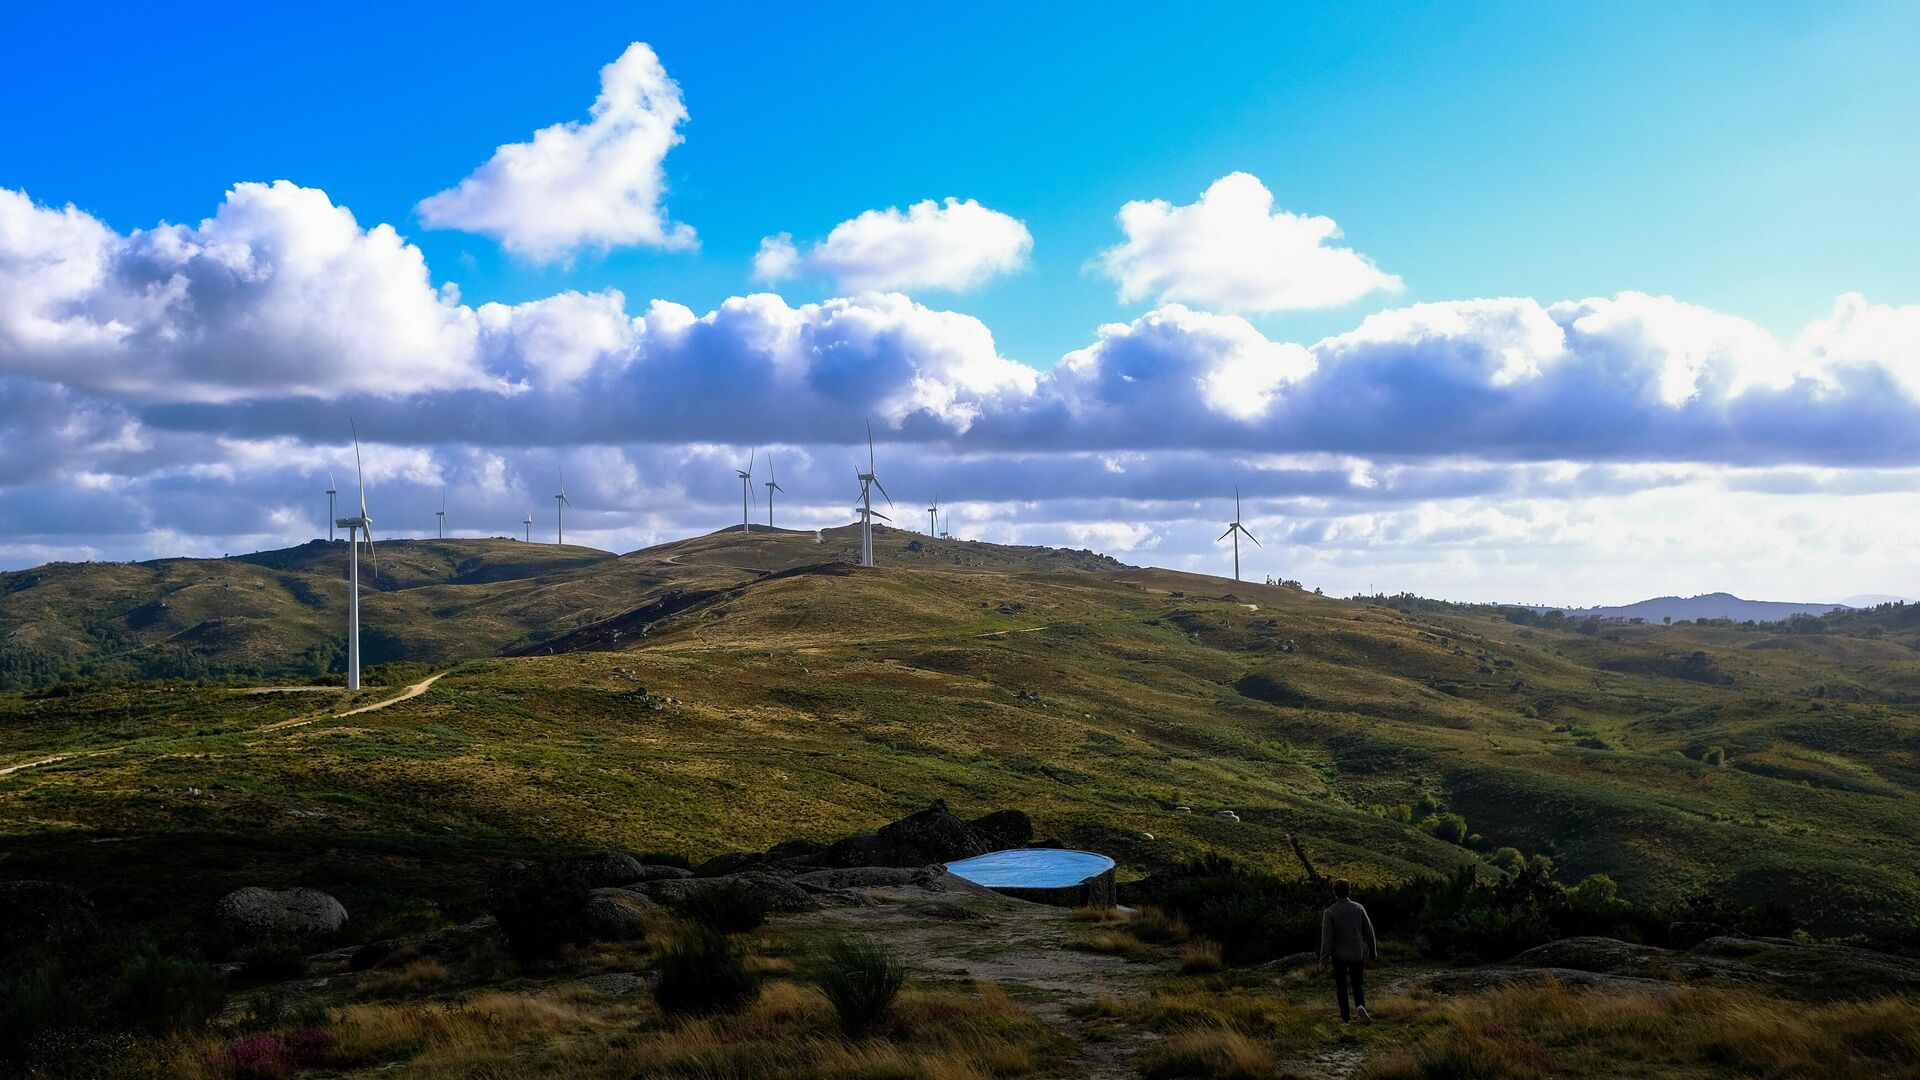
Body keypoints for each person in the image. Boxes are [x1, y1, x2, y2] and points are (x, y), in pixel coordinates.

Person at [1317, 878, 1378, 1024]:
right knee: (1358, 983)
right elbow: (1369, 931)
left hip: (1339, 955)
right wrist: (1373, 951)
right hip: (1357, 952)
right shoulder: (1359, 908)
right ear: (1349, 891)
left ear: (1334, 893)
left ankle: (1345, 1019)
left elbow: (1327, 939)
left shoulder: (1329, 912)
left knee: (1341, 986)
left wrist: (1323, 960)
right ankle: (1360, 1005)